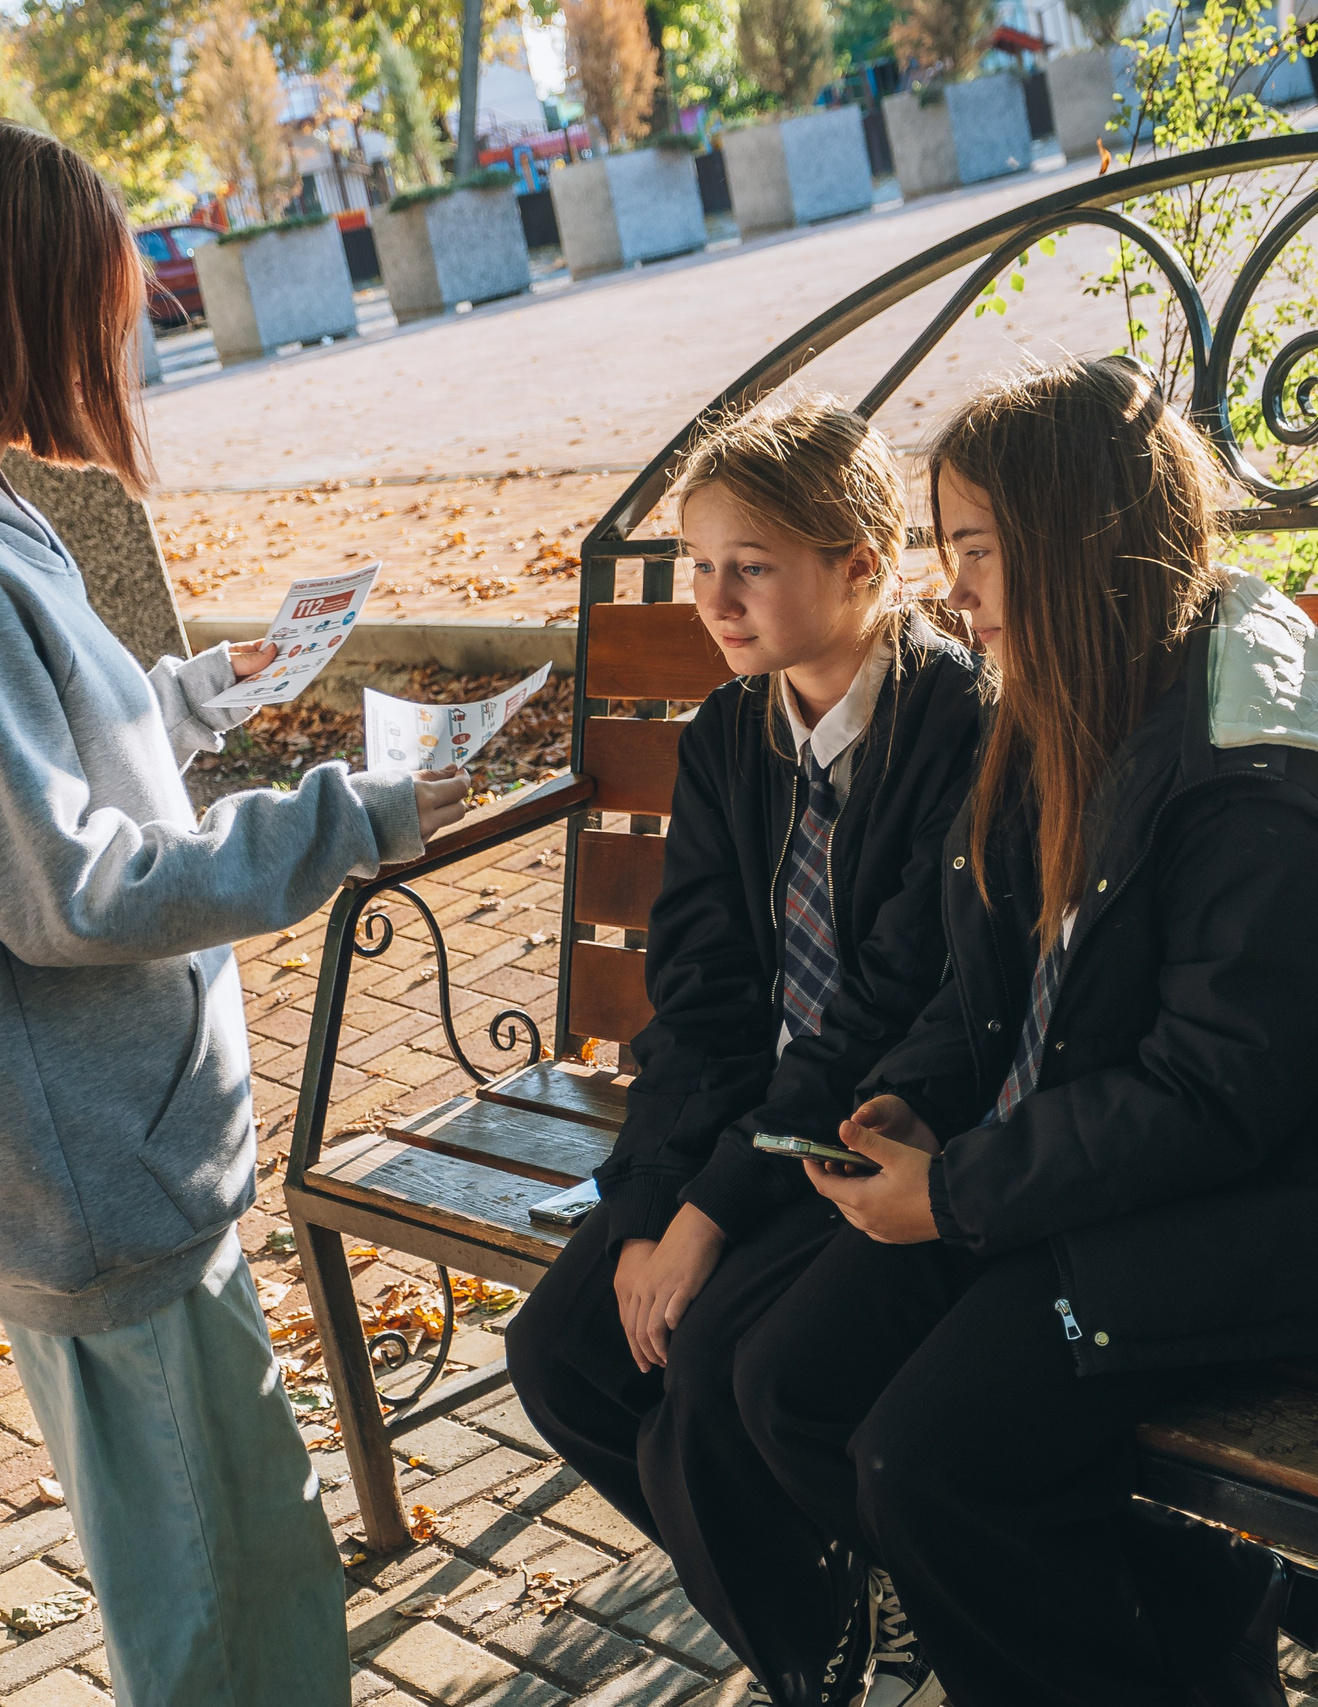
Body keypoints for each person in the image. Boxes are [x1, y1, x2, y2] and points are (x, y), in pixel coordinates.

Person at [0, 118, 469, 1707]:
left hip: (110, 1157)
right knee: (226, 1598)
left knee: (238, 1557)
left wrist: (191, 699)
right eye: (92, 297)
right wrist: (356, 818)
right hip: (97, 1179)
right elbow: (67, 889)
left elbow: (32, 781)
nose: (118, 336)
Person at [708, 357, 1318, 1707]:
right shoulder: (1072, 700)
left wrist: (953, 1193)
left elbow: (1214, 1097)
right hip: (1100, 1170)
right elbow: (984, 970)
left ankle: (1151, 1658)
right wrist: (906, 1109)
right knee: (787, 1385)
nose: (951, 594)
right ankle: (1202, 1610)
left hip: (1293, 1208)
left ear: (1078, 548)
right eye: (948, 551)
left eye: (975, 553)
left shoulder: (1264, 773)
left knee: (923, 1463)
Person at [505, 397, 986, 1706]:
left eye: (750, 567)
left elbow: (886, 1007)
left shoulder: (955, 725)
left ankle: (826, 1654)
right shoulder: (730, 736)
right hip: (749, 1125)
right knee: (563, 1357)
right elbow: (701, 993)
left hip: (870, 1132)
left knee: (712, 1394)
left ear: (861, 566)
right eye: (698, 565)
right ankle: (827, 1615)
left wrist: (712, 1212)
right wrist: (653, 1203)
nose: (714, 599)